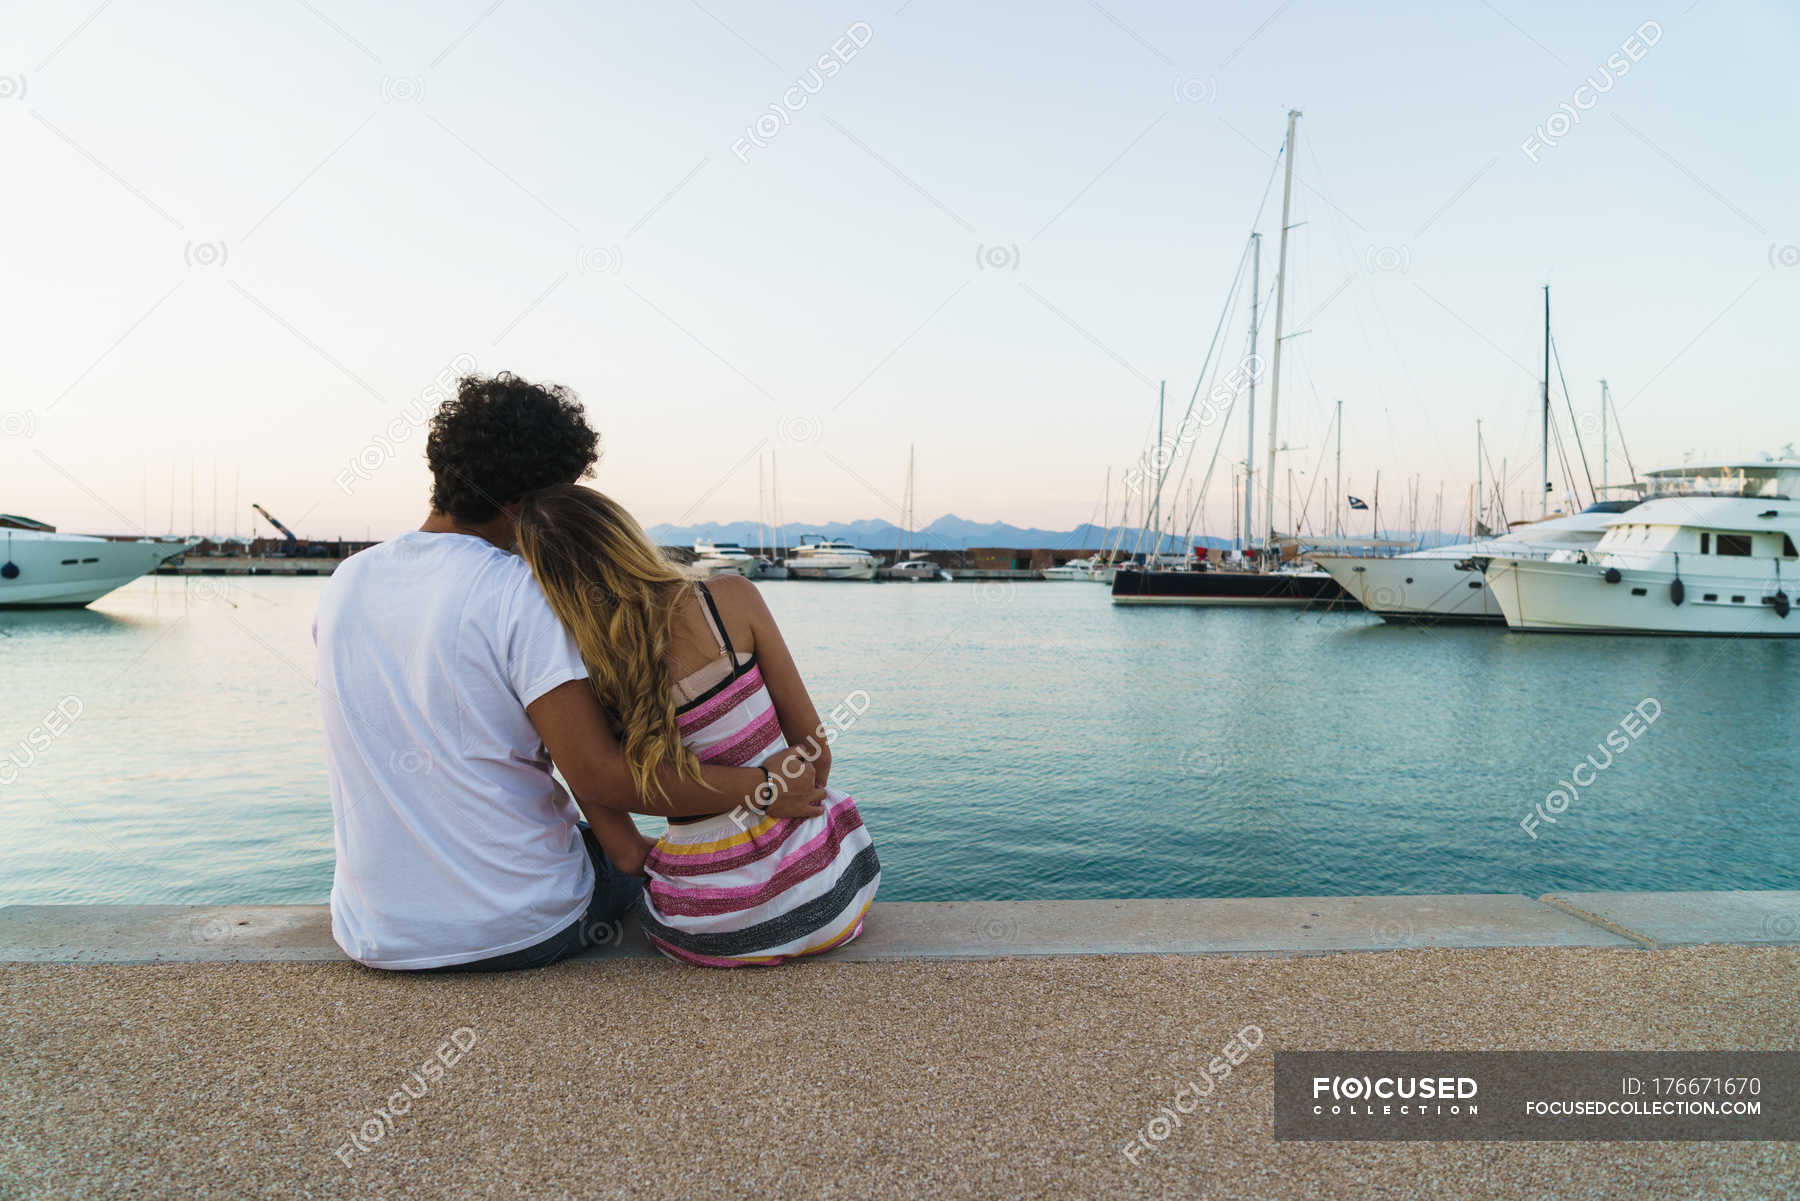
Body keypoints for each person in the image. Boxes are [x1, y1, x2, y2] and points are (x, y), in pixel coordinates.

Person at [313, 372, 826, 972]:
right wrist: (758, 786)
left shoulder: (347, 581)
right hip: (523, 925)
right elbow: (598, 774)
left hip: (374, 929)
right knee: (634, 861)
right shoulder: (520, 592)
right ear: (531, 503)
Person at [515, 484, 879, 966]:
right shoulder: (731, 599)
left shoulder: (573, 683)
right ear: (627, 535)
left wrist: (696, 860)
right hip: (830, 890)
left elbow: (624, 856)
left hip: (708, 926)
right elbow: (816, 753)